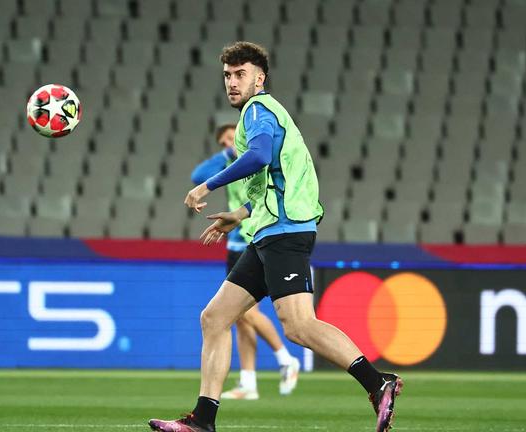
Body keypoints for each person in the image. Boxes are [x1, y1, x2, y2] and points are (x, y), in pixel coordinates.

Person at [148, 41, 402, 432]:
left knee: (298, 326)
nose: (232, 83)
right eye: (228, 76)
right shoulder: (263, 112)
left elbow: (261, 155)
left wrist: (208, 186)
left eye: (240, 74)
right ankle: (203, 420)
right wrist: (238, 214)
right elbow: (272, 181)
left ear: (259, 78)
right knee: (214, 318)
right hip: (268, 232)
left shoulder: (258, 110)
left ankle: (377, 382)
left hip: (286, 233)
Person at [190, 124, 300, 399]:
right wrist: (228, 152)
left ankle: (286, 359)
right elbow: (198, 175)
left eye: (233, 138)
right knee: (237, 318)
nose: (230, 143)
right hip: (235, 243)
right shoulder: (229, 165)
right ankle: (248, 382)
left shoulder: (256, 161)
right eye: (225, 141)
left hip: (254, 236)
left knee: (245, 313)